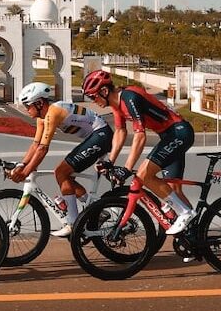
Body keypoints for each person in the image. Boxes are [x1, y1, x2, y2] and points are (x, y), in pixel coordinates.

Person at [82, 70, 196, 235]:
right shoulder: (115, 104)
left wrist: (127, 168)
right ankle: (194, 235)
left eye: (93, 96)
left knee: (144, 174)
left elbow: (140, 135)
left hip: (178, 132)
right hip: (169, 135)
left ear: (104, 91)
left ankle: (186, 213)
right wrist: (110, 161)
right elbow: (120, 132)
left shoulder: (129, 98)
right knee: (173, 191)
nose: (93, 101)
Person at [10, 82, 114, 237]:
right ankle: (98, 211)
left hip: (101, 135)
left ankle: (73, 223)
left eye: (28, 105)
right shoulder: (41, 118)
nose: (26, 110)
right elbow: (35, 145)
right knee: (65, 176)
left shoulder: (53, 112)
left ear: (39, 103)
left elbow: (43, 149)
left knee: (61, 172)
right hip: (95, 136)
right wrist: (22, 165)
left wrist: (25, 172)